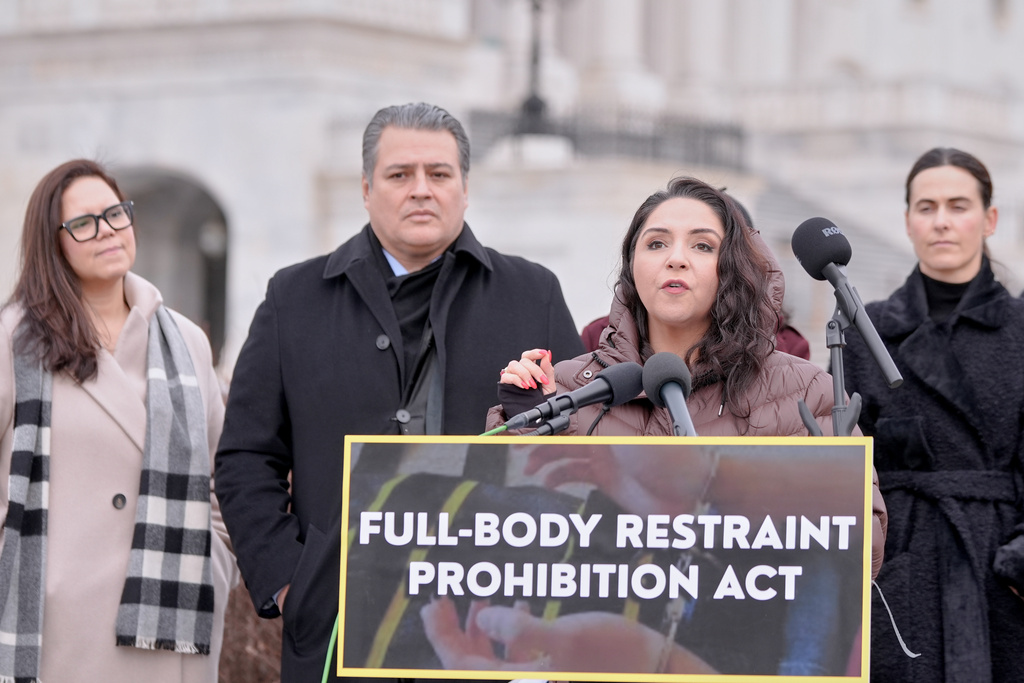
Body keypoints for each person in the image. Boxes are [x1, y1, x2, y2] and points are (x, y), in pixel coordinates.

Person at [214, 102, 584, 682]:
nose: (421, 190)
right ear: (366, 189)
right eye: (399, 174)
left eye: (439, 174)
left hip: (490, 627)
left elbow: (580, 448)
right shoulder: (294, 298)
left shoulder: (533, 293)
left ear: (465, 188)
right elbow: (245, 458)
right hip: (336, 629)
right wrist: (291, 581)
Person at [475, 176, 887, 676]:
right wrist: (523, 416)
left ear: (732, 268)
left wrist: (743, 487)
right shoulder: (569, 385)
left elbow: (860, 554)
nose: (675, 259)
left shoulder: (806, 389)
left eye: (702, 246)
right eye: (656, 243)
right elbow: (511, 539)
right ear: (632, 266)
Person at [0, 159, 237, 682]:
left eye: (115, 213)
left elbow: (222, 476)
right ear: (53, 242)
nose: (107, 230)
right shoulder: (14, 340)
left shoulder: (186, 341)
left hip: (172, 619)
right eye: (84, 223)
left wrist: (217, 561)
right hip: (56, 629)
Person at [841, 148, 1024, 683]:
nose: (941, 220)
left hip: (1002, 573)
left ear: (989, 219)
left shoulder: (1020, 330)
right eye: (926, 207)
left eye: (958, 205)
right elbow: (844, 463)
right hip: (900, 573)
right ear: (907, 221)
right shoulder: (865, 331)